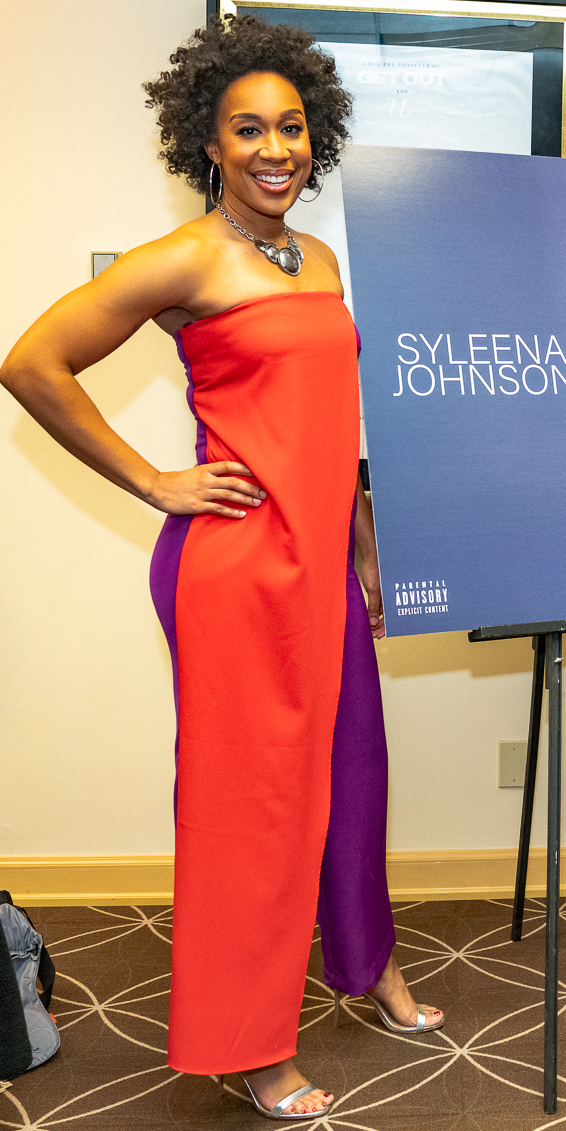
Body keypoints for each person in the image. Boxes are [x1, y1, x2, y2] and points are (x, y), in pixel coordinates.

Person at [0, 16, 441, 1120]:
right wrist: (156, 480)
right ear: (208, 141)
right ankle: (251, 1046)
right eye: (248, 129)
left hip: (323, 564)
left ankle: (368, 966)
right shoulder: (189, 258)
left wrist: (363, 544)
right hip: (238, 571)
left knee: (354, 769)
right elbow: (32, 362)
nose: (274, 148)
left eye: (291, 126)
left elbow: (328, 420)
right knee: (253, 811)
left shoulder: (317, 257)